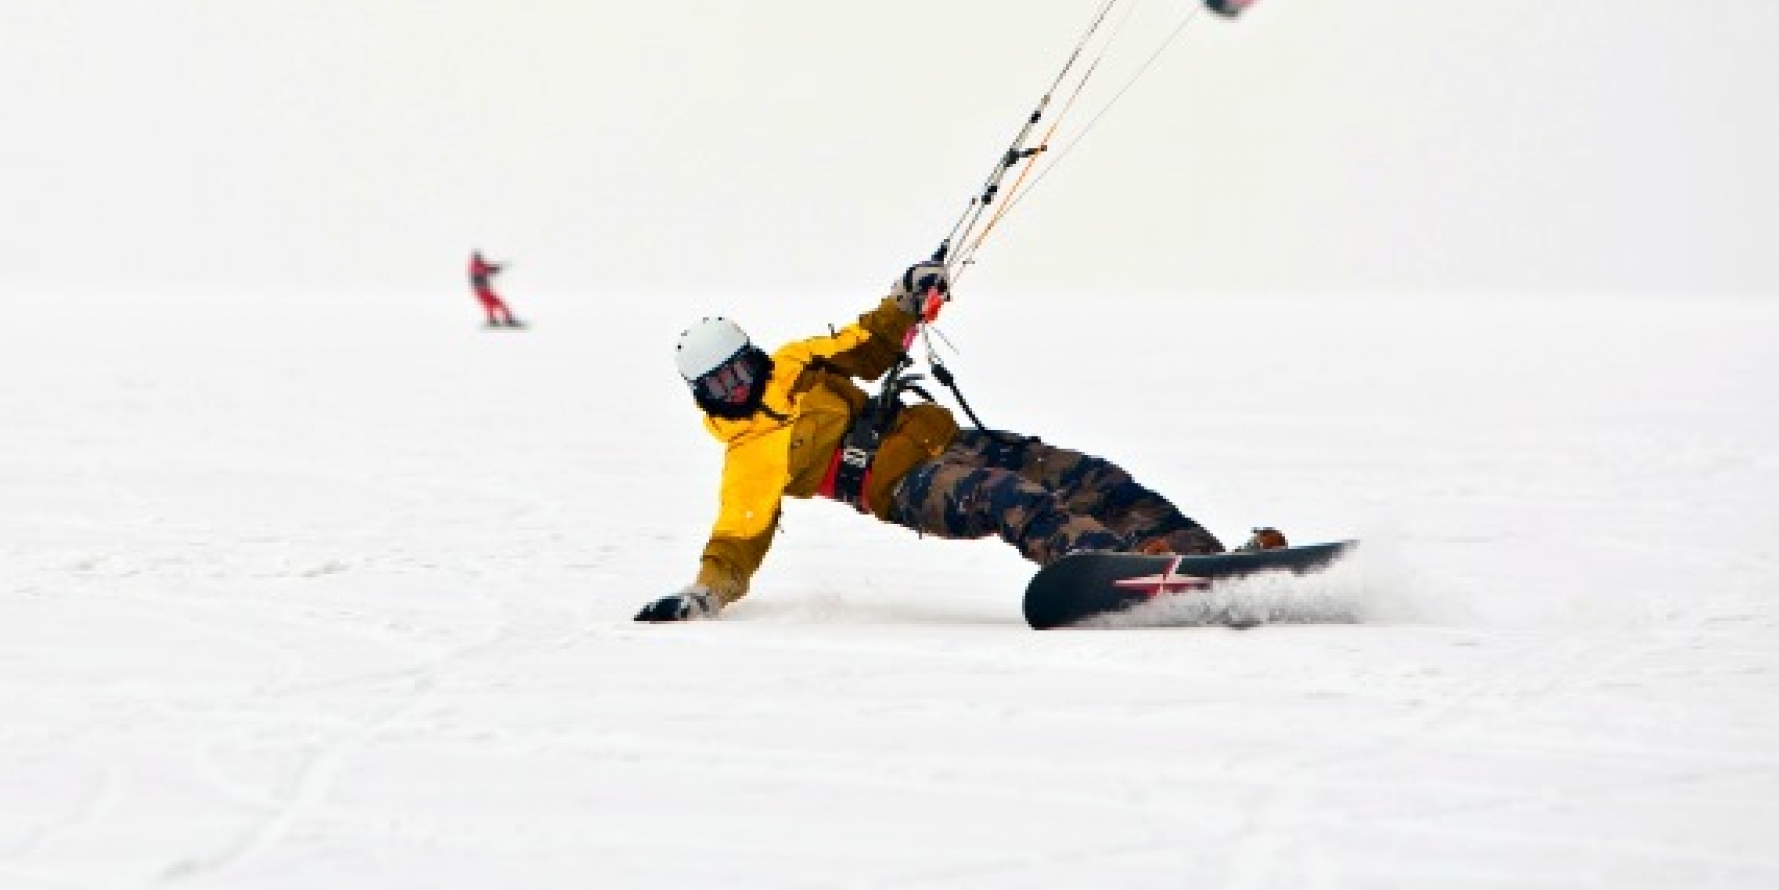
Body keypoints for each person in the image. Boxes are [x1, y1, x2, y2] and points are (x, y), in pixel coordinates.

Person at [636, 260, 1278, 622]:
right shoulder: (748, 457)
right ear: (703, 394)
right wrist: (704, 592)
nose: (736, 385)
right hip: (907, 487)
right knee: (1013, 499)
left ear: (752, 356)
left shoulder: (798, 363)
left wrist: (908, 296)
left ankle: (1204, 561)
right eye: (719, 384)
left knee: (1086, 475)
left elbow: (870, 342)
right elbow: (734, 541)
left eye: (739, 369)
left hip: (948, 439)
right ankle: (1113, 566)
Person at [468, 251, 521, 328]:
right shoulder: (474, 265)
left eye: (480, 257)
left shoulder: (479, 264)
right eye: (479, 257)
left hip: (482, 289)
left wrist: (498, 267)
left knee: (491, 305)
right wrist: (495, 269)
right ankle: (507, 319)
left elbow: (488, 268)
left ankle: (494, 320)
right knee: (497, 303)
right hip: (481, 290)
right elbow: (485, 270)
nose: (481, 258)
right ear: (476, 258)